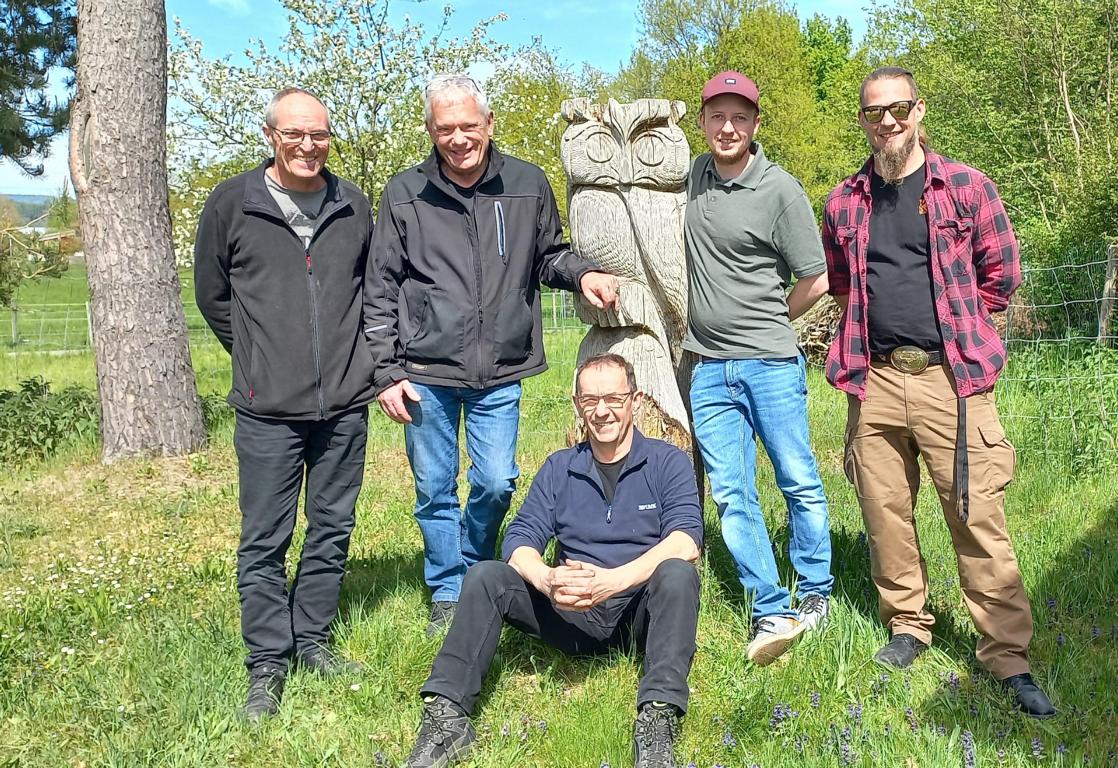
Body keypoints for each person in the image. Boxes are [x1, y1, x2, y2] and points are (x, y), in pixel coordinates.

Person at [821, 66, 1054, 718]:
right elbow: (842, 285)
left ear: (919, 111)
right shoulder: (842, 203)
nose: (888, 121)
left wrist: (958, 333)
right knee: (885, 516)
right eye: (874, 112)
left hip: (950, 382)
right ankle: (907, 626)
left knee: (978, 518)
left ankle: (1006, 656)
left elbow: (1000, 276)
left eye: (899, 109)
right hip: (875, 381)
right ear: (864, 120)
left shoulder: (968, 189)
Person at [365, 74, 619, 636]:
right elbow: (380, 285)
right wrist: (385, 371)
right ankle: (447, 589)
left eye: (469, 126)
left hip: (500, 369)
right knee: (434, 488)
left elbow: (549, 255)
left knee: (497, 481)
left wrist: (584, 275)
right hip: (424, 370)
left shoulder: (526, 184)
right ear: (431, 131)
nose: (459, 139)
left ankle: (475, 563)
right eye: (446, 128)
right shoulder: (404, 193)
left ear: (489, 125)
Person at [401, 353, 702, 768]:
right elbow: (520, 538)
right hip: (568, 613)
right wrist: (546, 580)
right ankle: (447, 719)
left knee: (678, 573)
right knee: (486, 574)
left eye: (613, 398)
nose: (602, 411)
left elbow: (687, 540)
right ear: (577, 404)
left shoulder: (667, 462)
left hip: (638, 614)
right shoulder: (560, 467)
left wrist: (613, 582)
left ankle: (656, 721)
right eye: (590, 400)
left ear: (635, 399)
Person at [194, 88, 374, 721]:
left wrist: (356, 368)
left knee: (331, 530)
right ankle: (268, 660)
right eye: (295, 134)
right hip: (267, 408)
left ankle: (314, 639)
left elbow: (368, 291)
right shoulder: (233, 203)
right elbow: (213, 294)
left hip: (346, 404)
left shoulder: (353, 204)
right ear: (271, 135)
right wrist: (256, 359)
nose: (308, 146)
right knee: (265, 539)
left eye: (319, 135)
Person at [683, 71, 834, 665]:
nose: (727, 127)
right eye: (716, 116)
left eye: (739, 117)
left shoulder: (780, 190)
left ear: (755, 125)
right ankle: (770, 605)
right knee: (732, 492)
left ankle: (816, 593)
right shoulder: (692, 178)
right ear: (702, 122)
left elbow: (816, 278)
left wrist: (773, 315)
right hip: (707, 368)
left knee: (797, 477)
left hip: (770, 362)